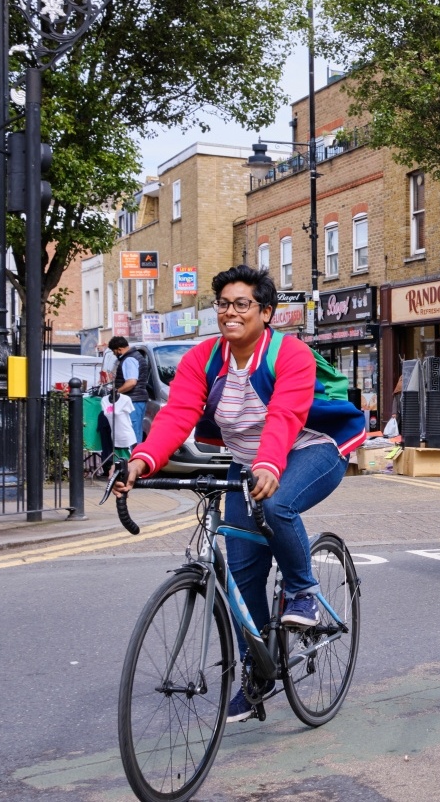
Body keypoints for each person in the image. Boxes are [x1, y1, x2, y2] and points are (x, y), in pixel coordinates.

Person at [113, 265, 366, 723]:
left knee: (276, 503)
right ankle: (258, 674)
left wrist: (270, 464)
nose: (230, 312)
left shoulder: (289, 355)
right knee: (244, 573)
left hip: (311, 449)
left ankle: (303, 591)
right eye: (223, 304)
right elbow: (178, 415)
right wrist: (142, 460)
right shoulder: (204, 359)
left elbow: (285, 416)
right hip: (249, 463)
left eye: (242, 304)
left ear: (266, 312)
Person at [108, 336, 150, 442]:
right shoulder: (136, 356)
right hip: (136, 399)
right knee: (135, 431)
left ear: (119, 349)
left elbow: (131, 382)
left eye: (114, 352)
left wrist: (116, 392)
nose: (115, 355)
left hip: (133, 400)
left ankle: (133, 457)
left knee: (132, 433)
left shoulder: (129, 359)